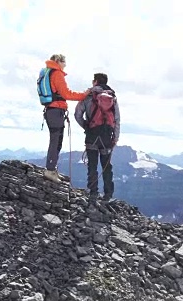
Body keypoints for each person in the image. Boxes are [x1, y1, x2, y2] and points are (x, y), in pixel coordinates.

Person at [38, 54, 90, 183]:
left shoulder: (47, 73)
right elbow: (66, 93)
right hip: (56, 111)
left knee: (56, 140)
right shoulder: (57, 74)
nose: (65, 65)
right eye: (64, 62)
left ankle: (52, 169)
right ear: (58, 61)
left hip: (51, 111)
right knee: (56, 141)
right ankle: (50, 170)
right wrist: (84, 95)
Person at [74, 73, 121, 201]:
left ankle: (93, 193)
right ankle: (108, 195)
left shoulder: (88, 96)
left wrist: (86, 126)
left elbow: (77, 114)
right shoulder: (112, 98)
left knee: (92, 165)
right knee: (106, 166)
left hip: (92, 135)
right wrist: (115, 138)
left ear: (95, 82)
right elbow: (117, 120)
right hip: (107, 136)